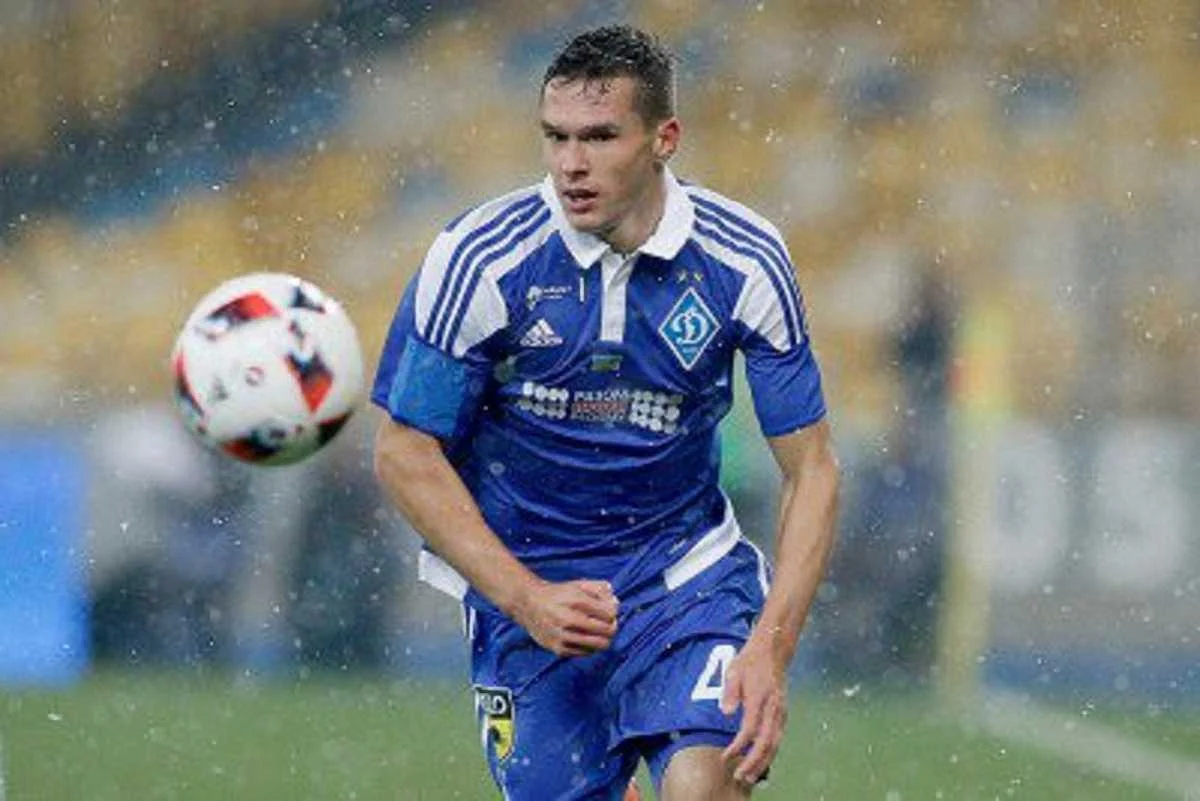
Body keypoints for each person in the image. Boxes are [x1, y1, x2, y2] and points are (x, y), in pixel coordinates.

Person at [372, 24, 839, 800]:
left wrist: (771, 646)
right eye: (555, 137)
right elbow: (403, 450)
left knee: (705, 785)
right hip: (530, 593)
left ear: (664, 139)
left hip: (685, 579)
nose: (570, 164)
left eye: (598, 137)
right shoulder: (479, 259)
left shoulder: (745, 259)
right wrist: (526, 597)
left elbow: (812, 468)